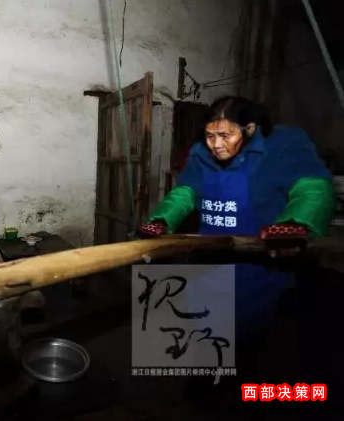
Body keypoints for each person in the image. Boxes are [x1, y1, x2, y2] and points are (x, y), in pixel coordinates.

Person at [135, 96, 336, 404]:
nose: (216, 144)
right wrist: (162, 220)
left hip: (258, 266)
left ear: (250, 128)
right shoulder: (200, 153)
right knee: (202, 326)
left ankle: (242, 391)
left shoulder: (283, 146)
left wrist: (295, 223)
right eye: (210, 135)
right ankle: (204, 384)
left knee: (251, 336)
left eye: (225, 135)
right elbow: (186, 193)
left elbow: (312, 187)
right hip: (209, 260)